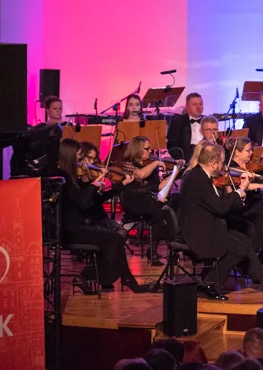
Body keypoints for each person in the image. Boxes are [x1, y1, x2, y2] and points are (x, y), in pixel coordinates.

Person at [177, 142, 263, 299]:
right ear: (213, 164)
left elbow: (218, 204)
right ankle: (210, 284)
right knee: (239, 246)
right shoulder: (197, 180)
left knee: (243, 241)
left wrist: (239, 190)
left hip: (208, 225)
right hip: (198, 232)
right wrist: (240, 190)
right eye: (222, 163)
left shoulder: (202, 175)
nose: (224, 166)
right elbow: (220, 207)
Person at [55, 138, 158, 292]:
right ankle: (121, 280)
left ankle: (102, 278)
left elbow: (96, 200)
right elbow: (83, 203)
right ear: (69, 155)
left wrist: (120, 185)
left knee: (114, 239)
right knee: (114, 238)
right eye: (78, 155)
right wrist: (93, 185)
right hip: (71, 228)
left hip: (79, 224)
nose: (80, 160)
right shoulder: (64, 178)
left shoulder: (72, 177)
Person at [223, 138, 263, 266]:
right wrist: (258, 185)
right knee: (258, 225)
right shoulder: (231, 168)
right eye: (248, 150)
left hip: (257, 206)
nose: (251, 153)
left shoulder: (250, 166)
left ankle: (262, 255)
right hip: (243, 208)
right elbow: (241, 187)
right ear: (237, 152)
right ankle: (249, 260)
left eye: (251, 150)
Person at [119, 135, 182, 263]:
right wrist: (156, 163)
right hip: (134, 200)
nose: (150, 151)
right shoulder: (128, 164)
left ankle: (165, 247)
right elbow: (141, 174)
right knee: (159, 212)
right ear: (137, 149)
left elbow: (158, 187)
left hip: (148, 199)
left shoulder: (150, 165)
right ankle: (153, 252)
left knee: (169, 208)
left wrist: (176, 172)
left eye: (150, 149)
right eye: (147, 149)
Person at [167, 92, 205, 158]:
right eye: (194, 104)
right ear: (187, 107)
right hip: (186, 157)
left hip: (206, 155)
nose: (198, 107)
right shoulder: (178, 121)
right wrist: (180, 159)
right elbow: (173, 146)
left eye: (200, 104)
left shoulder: (207, 120)